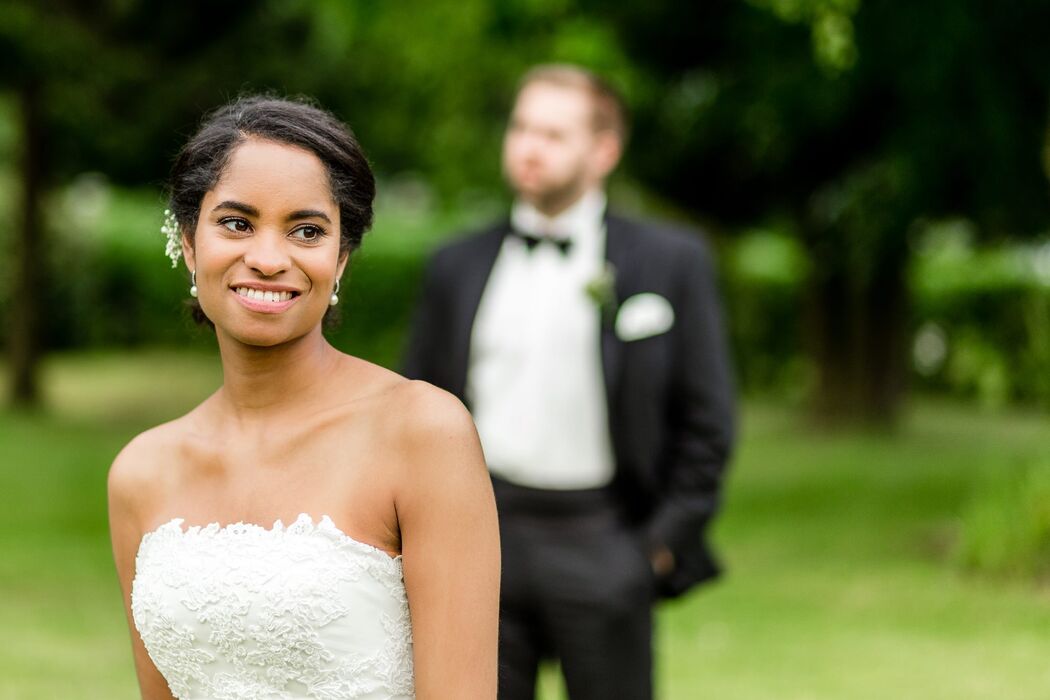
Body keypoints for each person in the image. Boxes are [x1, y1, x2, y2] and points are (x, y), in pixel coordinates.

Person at [108, 96, 500, 700]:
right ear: (189, 243)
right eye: (236, 223)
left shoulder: (422, 432)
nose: (267, 259)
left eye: (307, 231)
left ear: (340, 257)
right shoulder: (140, 473)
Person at [403, 65, 735, 699]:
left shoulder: (671, 262)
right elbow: (412, 406)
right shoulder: (454, 265)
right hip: (481, 539)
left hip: (605, 537)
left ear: (604, 150)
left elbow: (708, 420)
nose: (529, 146)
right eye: (521, 127)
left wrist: (655, 549)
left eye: (554, 134)